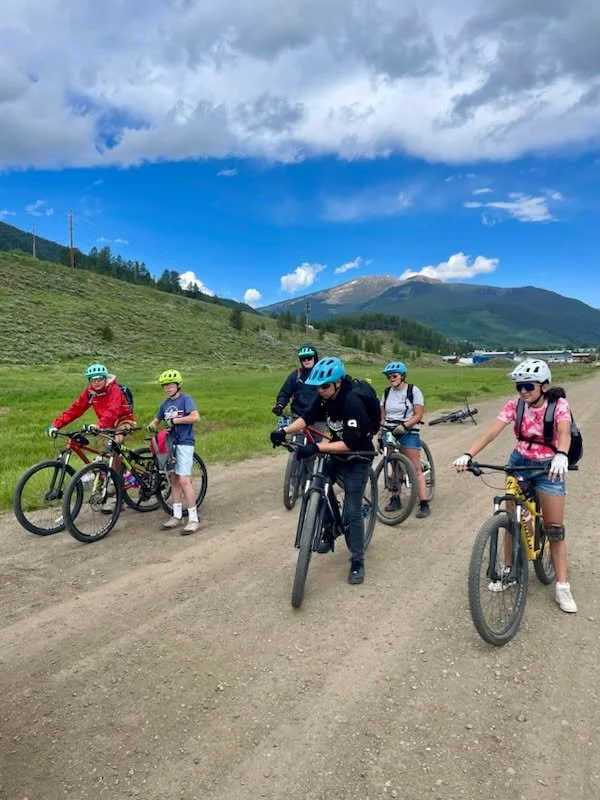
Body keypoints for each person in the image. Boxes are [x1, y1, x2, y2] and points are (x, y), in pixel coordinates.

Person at [452, 358, 576, 613]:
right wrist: (468, 454)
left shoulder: (558, 405)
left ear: (544, 386)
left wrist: (562, 454)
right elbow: (491, 433)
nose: (523, 391)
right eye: (519, 386)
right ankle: (508, 569)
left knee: (554, 528)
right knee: (511, 517)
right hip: (519, 463)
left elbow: (563, 432)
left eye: (528, 386)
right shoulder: (515, 405)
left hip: (547, 466)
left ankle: (562, 585)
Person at [270, 356, 374, 586]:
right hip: (337, 453)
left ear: (338, 383)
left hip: (358, 455)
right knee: (319, 482)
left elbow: (349, 443)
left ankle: (357, 560)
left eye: (325, 386)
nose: (321, 390)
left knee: (353, 510)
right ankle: (329, 528)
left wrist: (317, 447)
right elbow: (307, 418)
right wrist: (284, 431)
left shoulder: (352, 400)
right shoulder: (324, 397)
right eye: (318, 386)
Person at [46, 363, 136, 507]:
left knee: (115, 444)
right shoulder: (90, 392)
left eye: (99, 379)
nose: (96, 382)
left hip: (123, 421)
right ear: (89, 381)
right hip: (105, 425)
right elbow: (76, 409)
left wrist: (98, 426)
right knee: (101, 456)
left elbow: (112, 411)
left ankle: (115, 482)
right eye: (93, 379)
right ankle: (108, 483)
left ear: (105, 378)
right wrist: (56, 425)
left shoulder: (114, 390)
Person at [147, 369, 201, 535]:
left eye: (170, 385)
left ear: (178, 385)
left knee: (184, 480)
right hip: (170, 445)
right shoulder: (165, 404)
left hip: (184, 443)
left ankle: (193, 519)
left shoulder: (185, 399)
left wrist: (176, 420)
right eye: (165, 386)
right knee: (174, 480)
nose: (167, 388)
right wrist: (152, 425)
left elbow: (195, 417)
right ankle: (176, 516)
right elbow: (157, 420)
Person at [379, 361, 430, 519]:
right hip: (390, 431)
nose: (391, 379)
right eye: (389, 377)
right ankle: (395, 499)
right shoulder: (387, 392)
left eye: (394, 376)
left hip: (408, 430)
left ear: (402, 376)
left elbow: (418, 415)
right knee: (394, 467)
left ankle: (424, 503)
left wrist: (405, 425)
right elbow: (383, 415)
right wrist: (381, 432)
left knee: (415, 469)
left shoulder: (413, 391)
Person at [272, 344, 319, 420]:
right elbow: (284, 393)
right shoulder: (296, 375)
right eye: (303, 358)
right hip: (297, 417)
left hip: (318, 418)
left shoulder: (323, 374)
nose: (306, 360)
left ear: (315, 357)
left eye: (309, 358)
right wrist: (280, 405)